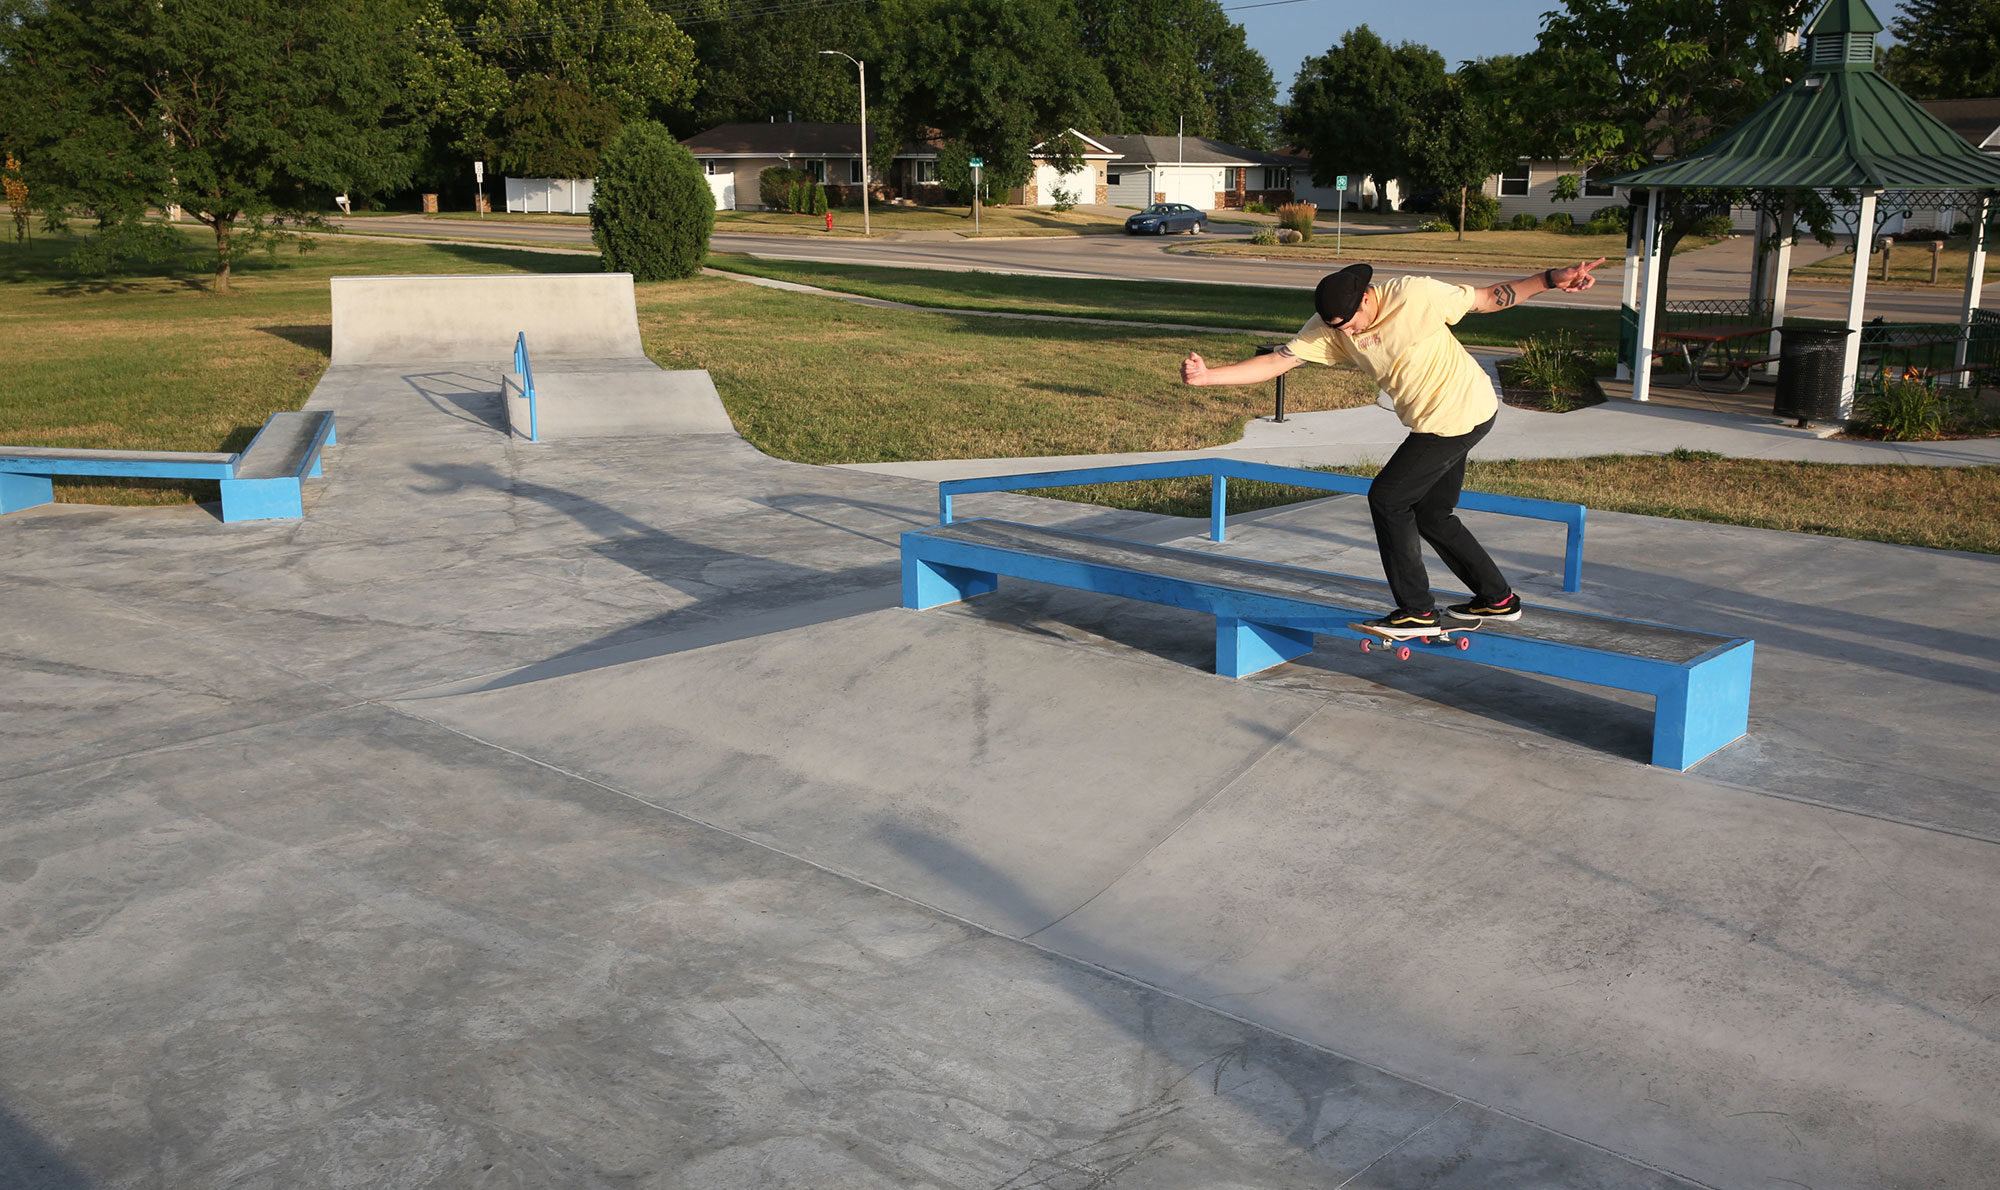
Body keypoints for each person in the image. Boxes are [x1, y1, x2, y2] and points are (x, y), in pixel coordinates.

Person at [1181, 258, 1604, 639]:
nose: (1346, 333)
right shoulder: (1331, 325)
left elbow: (1487, 298)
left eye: (1351, 322)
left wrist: (1550, 279)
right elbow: (1279, 360)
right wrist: (1208, 377)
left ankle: (1417, 611)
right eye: (1337, 327)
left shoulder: (1414, 294)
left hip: (1457, 415)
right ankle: (1497, 600)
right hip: (1445, 419)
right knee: (1432, 513)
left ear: (1368, 297)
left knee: (1388, 499)